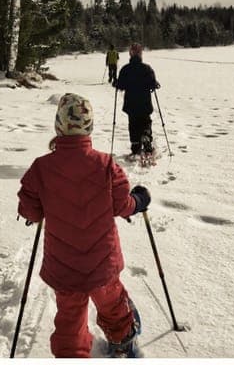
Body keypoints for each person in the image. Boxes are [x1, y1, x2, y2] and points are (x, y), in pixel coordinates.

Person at [17, 93, 151, 358]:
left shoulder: (41, 168)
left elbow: (29, 207)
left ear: (58, 126)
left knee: (69, 317)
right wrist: (139, 200)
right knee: (113, 305)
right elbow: (121, 205)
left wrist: (35, 212)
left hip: (64, 266)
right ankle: (122, 343)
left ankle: (72, 354)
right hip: (102, 263)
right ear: (89, 127)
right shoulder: (106, 165)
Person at [115, 43, 160, 157]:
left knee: (133, 124)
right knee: (145, 121)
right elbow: (152, 84)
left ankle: (135, 146)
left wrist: (116, 83)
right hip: (144, 102)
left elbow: (120, 85)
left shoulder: (126, 69)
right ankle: (146, 138)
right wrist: (155, 84)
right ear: (140, 54)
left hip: (131, 103)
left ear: (130, 54)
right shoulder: (147, 68)